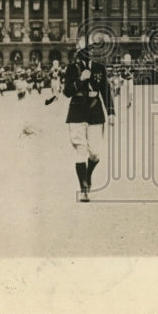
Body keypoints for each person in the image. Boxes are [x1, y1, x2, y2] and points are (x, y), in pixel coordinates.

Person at [59, 47, 115, 202]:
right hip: (77, 111)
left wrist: (111, 112)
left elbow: (105, 90)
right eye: (84, 51)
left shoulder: (99, 68)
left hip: (95, 112)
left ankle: (88, 175)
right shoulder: (72, 69)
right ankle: (84, 189)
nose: (88, 54)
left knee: (95, 153)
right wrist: (80, 80)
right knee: (81, 150)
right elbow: (67, 92)